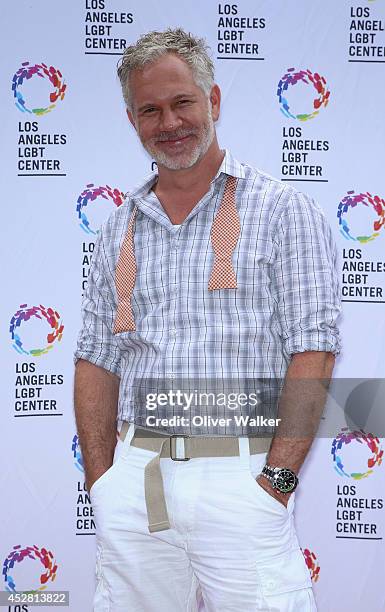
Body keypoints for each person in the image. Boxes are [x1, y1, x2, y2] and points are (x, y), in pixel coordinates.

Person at [74, 27, 341, 612]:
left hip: (243, 479)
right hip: (136, 480)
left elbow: (313, 351)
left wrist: (277, 484)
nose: (169, 122)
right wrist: (102, 481)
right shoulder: (117, 227)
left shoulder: (283, 210)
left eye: (182, 102)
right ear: (132, 121)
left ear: (213, 101)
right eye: (150, 110)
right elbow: (96, 358)